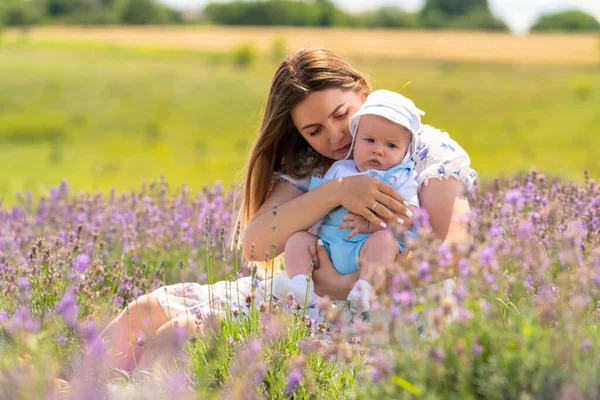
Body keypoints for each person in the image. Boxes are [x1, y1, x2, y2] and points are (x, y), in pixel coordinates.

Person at [67, 48, 475, 377]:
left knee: (183, 331)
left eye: (340, 115)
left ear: (363, 93)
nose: (333, 136)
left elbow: (452, 251)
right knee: (148, 308)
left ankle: (134, 391)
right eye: (313, 130)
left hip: (379, 311)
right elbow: (257, 244)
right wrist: (336, 191)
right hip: (303, 296)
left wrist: (339, 283)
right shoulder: (313, 164)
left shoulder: (422, 150)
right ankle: (71, 387)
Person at [272, 89, 425, 312]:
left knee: (385, 242)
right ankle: (300, 285)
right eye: (370, 140)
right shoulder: (340, 169)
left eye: (391, 146)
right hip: (330, 246)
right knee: (297, 239)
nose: (378, 150)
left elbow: (409, 217)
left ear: (406, 151)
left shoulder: (401, 176)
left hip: (366, 248)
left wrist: (371, 225)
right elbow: (318, 204)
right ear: (357, 139)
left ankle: (364, 288)